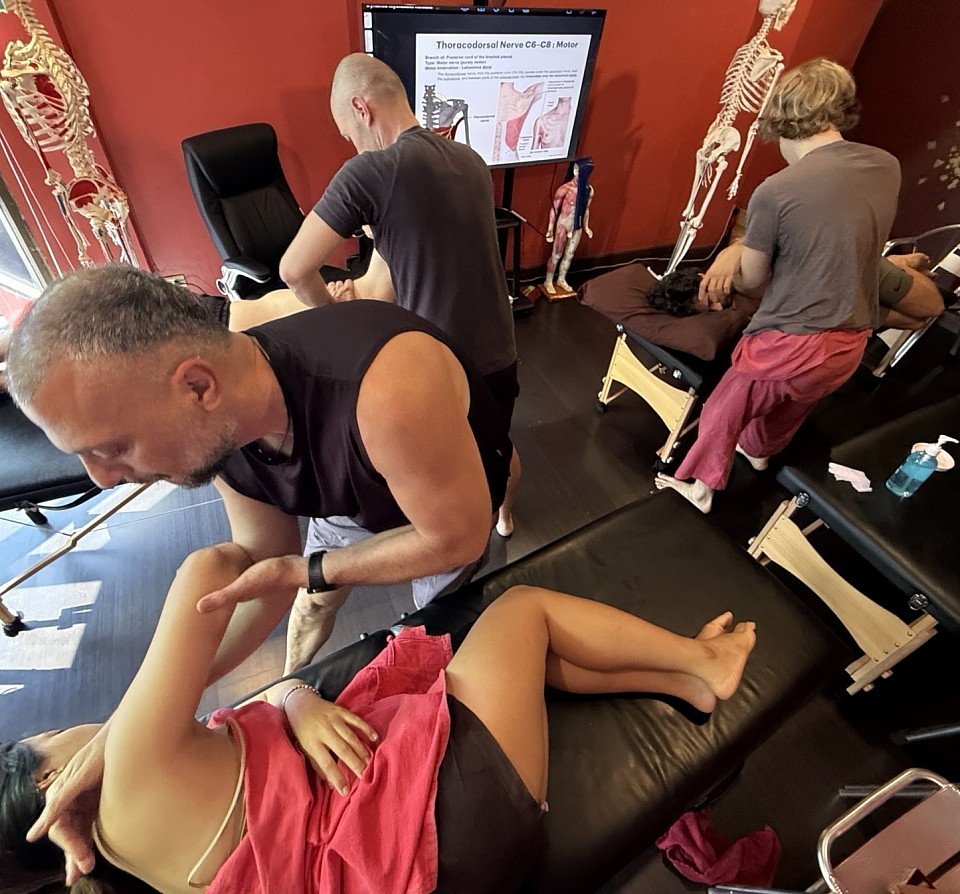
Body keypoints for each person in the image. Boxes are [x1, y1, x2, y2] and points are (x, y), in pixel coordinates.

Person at [0, 542, 758, 892]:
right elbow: (216, 571)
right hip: (443, 824)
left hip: (418, 865)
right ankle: (704, 661)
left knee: (513, 666)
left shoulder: (127, 863)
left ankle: (683, 685)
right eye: (57, 737)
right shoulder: (131, 772)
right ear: (51, 780)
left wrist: (295, 700)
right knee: (525, 611)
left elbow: (247, 730)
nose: (77, 728)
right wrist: (116, 737)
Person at [5, 266, 512, 677]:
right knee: (311, 606)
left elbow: (455, 539)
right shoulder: (216, 423)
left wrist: (307, 571)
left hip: (447, 508)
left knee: (429, 627)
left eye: (113, 447)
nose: (102, 479)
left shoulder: (388, 389)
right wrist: (155, 702)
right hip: (354, 494)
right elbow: (266, 559)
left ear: (198, 386)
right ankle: (291, 675)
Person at [279, 53, 521, 540]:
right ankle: (504, 515)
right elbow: (405, 262)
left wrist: (334, 317)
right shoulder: (471, 161)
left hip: (445, 367)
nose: (353, 144)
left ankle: (463, 544)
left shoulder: (369, 170)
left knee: (443, 482)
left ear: (361, 108)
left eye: (348, 133)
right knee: (497, 449)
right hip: (501, 355)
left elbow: (293, 270)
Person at [656, 58, 901, 513]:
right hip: (852, 343)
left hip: (792, 345)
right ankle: (758, 452)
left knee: (723, 408)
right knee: (792, 403)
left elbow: (754, 279)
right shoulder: (886, 166)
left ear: (782, 117)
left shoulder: (776, 190)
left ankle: (700, 488)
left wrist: (729, 268)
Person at [699, 210, 943, 330]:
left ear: (703, 278)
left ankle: (896, 265)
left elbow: (772, 235)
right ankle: (897, 264)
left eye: (710, 299)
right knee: (916, 323)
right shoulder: (737, 309)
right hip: (838, 303)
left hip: (846, 268)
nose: (717, 306)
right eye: (709, 310)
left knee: (932, 307)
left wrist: (735, 249)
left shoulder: (736, 270)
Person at [543, 158, 595, 298]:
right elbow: (554, 208)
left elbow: (586, 209)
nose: (576, 172)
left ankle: (561, 279)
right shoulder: (565, 189)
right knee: (556, 255)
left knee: (570, 254)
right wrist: (550, 228)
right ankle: (548, 280)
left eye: (579, 170)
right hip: (563, 225)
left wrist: (586, 226)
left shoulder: (588, 191)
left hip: (576, 226)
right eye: (575, 169)